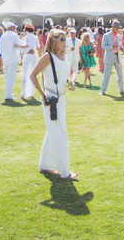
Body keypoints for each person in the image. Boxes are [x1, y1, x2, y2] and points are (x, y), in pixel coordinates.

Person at [30, 29, 77, 180]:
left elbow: (72, 71)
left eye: (65, 39)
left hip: (62, 99)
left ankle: (45, 165)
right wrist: (42, 94)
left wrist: (73, 80)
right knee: (60, 134)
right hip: (51, 99)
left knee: (53, 132)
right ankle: (65, 171)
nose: (65, 42)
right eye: (62, 39)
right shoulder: (47, 57)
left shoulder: (64, 56)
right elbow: (33, 75)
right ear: (54, 41)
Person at [0, 22, 25, 101]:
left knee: (7, 77)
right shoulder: (14, 35)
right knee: (11, 77)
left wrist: (4, 55)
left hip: (5, 58)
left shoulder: (3, 36)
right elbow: (18, 46)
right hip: (13, 58)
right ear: (12, 28)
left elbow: (0, 49)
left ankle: (8, 93)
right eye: (14, 28)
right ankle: (8, 95)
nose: (15, 29)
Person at [100, 20, 124, 96]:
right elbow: (103, 46)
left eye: (119, 28)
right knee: (106, 75)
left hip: (117, 56)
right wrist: (111, 47)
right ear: (113, 27)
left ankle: (122, 90)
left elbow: (120, 45)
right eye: (117, 28)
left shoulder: (119, 36)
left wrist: (122, 48)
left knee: (120, 75)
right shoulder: (106, 35)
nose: (118, 29)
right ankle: (103, 90)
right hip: (110, 56)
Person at [21, 25, 40, 99]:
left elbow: (25, 45)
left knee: (25, 73)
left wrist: (19, 46)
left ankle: (24, 93)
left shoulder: (27, 36)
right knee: (32, 73)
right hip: (33, 56)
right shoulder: (35, 37)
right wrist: (33, 49)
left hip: (27, 55)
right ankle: (31, 93)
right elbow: (38, 47)